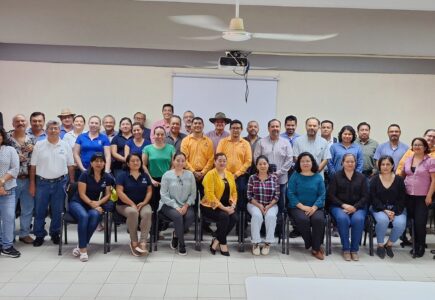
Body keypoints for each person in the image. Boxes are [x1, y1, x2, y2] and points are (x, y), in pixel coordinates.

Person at [30, 120, 75, 247]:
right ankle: (39, 235)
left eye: (56, 128)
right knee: (40, 211)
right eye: (51, 128)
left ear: (60, 131)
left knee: (57, 211)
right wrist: (32, 184)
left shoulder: (65, 145)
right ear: (46, 130)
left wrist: (72, 183)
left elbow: (70, 165)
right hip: (42, 183)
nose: (53, 130)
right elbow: (32, 166)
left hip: (60, 183)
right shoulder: (39, 145)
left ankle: (55, 233)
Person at [69, 152, 114, 262]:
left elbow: (108, 194)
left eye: (101, 161)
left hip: (94, 204)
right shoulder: (85, 174)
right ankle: (83, 250)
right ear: (91, 163)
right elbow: (81, 194)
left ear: (104, 163)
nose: (99, 163)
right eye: (96, 161)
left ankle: (80, 244)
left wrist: (98, 204)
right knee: (84, 216)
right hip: (78, 203)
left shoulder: (107, 177)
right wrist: (93, 204)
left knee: (95, 215)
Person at [253, 119, 293, 233]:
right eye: (272, 126)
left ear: (280, 128)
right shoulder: (261, 142)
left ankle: (278, 230)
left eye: (277, 126)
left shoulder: (286, 142)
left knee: (280, 205)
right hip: (263, 180)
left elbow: (289, 159)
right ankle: (263, 229)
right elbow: (256, 158)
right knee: (263, 203)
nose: (275, 128)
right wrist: (265, 173)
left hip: (281, 180)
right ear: (268, 128)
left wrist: (279, 172)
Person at [328, 153, 369, 261]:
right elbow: (331, 195)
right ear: (342, 162)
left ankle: (354, 249)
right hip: (339, 206)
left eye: (352, 161)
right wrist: (343, 205)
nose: (350, 163)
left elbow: (365, 196)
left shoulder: (362, 177)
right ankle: (346, 248)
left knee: (358, 219)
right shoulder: (336, 176)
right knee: (342, 219)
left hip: (358, 207)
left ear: (355, 163)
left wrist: (355, 207)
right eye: (347, 161)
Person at [400, 137, 435, 257]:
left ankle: (421, 246)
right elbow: (403, 176)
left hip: (422, 197)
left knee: (420, 222)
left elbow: (434, 180)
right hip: (408, 195)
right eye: (415, 144)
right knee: (411, 222)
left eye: (420, 145)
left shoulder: (430, 161)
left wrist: (429, 195)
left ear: (425, 147)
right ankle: (414, 244)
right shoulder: (409, 159)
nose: (417, 146)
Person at [288, 152, 326, 260]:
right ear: (299, 163)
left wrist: (314, 207)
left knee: (318, 219)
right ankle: (312, 244)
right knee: (303, 220)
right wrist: (303, 207)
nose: (305, 163)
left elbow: (322, 194)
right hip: (297, 206)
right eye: (302, 161)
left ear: (312, 162)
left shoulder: (318, 176)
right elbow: (290, 193)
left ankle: (315, 248)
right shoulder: (295, 175)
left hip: (315, 207)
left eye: (308, 161)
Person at [159, 151, 196, 255]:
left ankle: (176, 233)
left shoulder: (190, 175)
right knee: (178, 216)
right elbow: (163, 195)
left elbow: (193, 194)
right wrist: (176, 206)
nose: (180, 163)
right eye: (177, 160)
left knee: (190, 217)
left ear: (185, 162)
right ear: (173, 161)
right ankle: (182, 243)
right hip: (168, 205)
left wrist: (186, 205)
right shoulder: (167, 175)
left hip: (186, 204)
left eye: (183, 161)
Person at [370, 155, 406, 259]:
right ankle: (380, 245)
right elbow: (373, 198)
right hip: (379, 208)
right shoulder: (374, 179)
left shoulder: (399, 180)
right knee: (382, 220)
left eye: (388, 164)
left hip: (397, 209)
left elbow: (402, 198)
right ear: (379, 166)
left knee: (400, 223)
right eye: (383, 164)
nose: (385, 166)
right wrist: (385, 210)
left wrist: (393, 211)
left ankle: (389, 244)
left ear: (393, 165)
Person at [116, 154, 153, 256]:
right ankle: (134, 242)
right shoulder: (122, 175)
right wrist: (131, 204)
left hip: (142, 203)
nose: (136, 163)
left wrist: (144, 202)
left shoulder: (145, 175)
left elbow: (149, 191)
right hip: (124, 205)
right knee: (133, 212)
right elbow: (119, 192)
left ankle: (143, 242)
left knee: (147, 212)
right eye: (132, 161)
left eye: (138, 160)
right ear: (128, 163)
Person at [201, 153, 237, 256]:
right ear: (215, 162)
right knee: (224, 216)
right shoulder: (210, 174)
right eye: (219, 160)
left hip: (226, 205)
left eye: (224, 161)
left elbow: (234, 192)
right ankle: (223, 243)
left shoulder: (229, 174)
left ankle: (216, 240)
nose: (222, 163)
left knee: (234, 217)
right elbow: (210, 195)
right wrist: (224, 209)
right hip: (209, 206)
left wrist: (233, 205)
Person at [7, 114, 36, 244]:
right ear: (13, 124)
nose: (20, 123)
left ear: (27, 123)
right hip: (11, 180)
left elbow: (36, 160)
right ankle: (9, 236)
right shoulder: (6, 138)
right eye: (17, 121)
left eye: (22, 121)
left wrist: (34, 149)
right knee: (9, 210)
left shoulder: (32, 139)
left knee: (28, 208)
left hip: (28, 179)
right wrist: (14, 157)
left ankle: (24, 234)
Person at [216, 120, 252, 220]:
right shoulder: (223, 142)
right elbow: (219, 158)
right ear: (230, 129)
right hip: (224, 175)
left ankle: (241, 227)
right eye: (233, 128)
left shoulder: (245, 143)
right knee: (224, 198)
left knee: (240, 199)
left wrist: (236, 174)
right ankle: (224, 224)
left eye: (238, 128)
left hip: (240, 176)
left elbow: (248, 161)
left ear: (241, 130)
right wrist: (227, 174)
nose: (235, 130)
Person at [247, 155, 279, 256]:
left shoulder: (274, 178)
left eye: (264, 163)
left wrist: (268, 206)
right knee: (257, 216)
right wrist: (259, 206)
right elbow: (249, 195)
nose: (262, 166)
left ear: (268, 165)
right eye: (260, 164)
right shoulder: (252, 178)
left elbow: (277, 196)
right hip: (254, 204)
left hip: (271, 205)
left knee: (271, 216)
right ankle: (255, 243)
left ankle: (267, 243)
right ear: (256, 166)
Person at [142, 126, 175, 211]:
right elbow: (143, 165)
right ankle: (153, 223)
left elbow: (173, 164)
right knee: (154, 203)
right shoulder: (147, 148)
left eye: (162, 134)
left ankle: (164, 223)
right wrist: (151, 180)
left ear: (165, 136)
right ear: (153, 135)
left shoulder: (171, 148)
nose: (159, 136)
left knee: (166, 203)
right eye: (157, 134)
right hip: (153, 180)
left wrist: (167, 177)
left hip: (167, 179)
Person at [180, 117, 214, 198]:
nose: (197, 125)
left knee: (205, 198)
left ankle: (204, 211)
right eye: (195, 123)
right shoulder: (186, 140)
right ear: (191, 125)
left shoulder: (208, 141)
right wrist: (193, 172)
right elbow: (183, 159)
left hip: (205, 175)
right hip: (189, 174)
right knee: (191, 198)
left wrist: (203, 172)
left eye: (199, 123)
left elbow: (211, 159)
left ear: (203, 125)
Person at [0, 128, 20, 257]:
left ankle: (7, 246)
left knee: (8, 218)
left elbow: (15, 169)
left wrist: (1, 182)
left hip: (8, 191)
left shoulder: (10, 150)